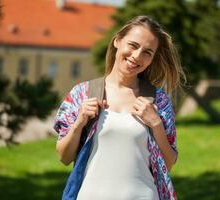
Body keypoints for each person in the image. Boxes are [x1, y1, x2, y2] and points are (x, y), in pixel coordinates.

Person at [54, 15, 185, 200]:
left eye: (148, 52)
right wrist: (80, 122)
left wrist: (156, 124)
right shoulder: (82, 93)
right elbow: (64, 157)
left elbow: (169, 164)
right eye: (133, 45)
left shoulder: (159, 100)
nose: (137, 56)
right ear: (117, 41)